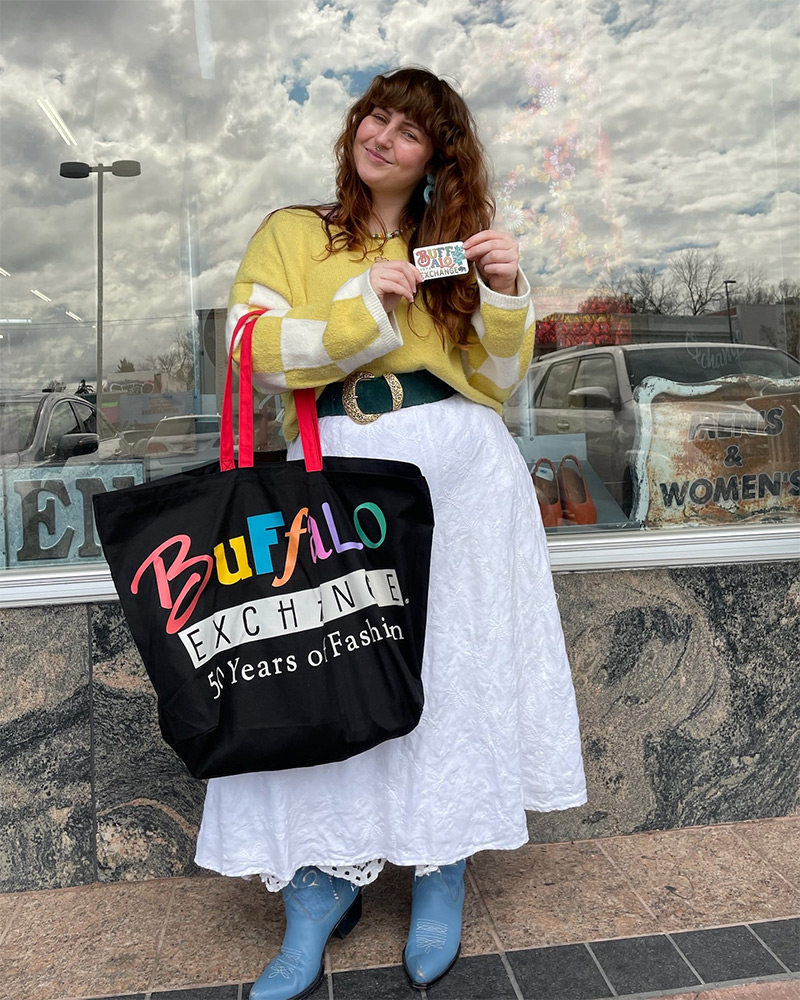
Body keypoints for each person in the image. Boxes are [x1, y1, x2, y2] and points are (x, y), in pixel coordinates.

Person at [195, 66, 586, 999]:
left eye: (410, 130)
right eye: (377, 115)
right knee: (326, 664)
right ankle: (321, 887)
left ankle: (441, 864)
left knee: (449, 667)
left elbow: (495, 381)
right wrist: (361, 307)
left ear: (434, 158)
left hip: (464, 479)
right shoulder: (297, 233)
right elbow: (245, 348)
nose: (384, 135)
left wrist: (504, 288)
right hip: (339, 469)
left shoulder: (446, 249)